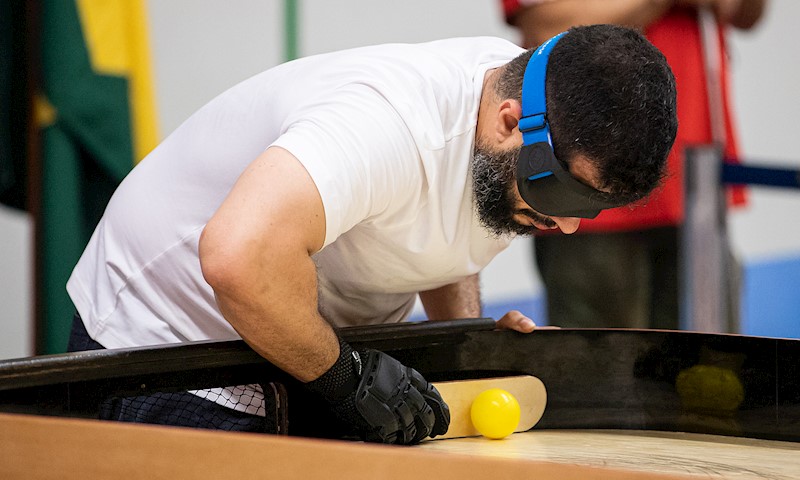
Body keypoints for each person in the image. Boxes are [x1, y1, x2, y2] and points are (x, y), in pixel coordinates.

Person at [65, 24, 677, 444]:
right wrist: (344, 378)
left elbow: (445, 226)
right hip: (173, 332)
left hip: (296, 337)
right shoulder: (384, 124)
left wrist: (461, 349)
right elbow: (236, 258)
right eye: (558, 194)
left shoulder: (517, 113)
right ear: (509, 121)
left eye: (588, 210)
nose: (566, 225)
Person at [501, 0, 767, 330]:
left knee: (714, 368)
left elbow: (749, 14)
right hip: (588, 195)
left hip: (700, 188)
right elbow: (544, 23)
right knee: (604, 371)